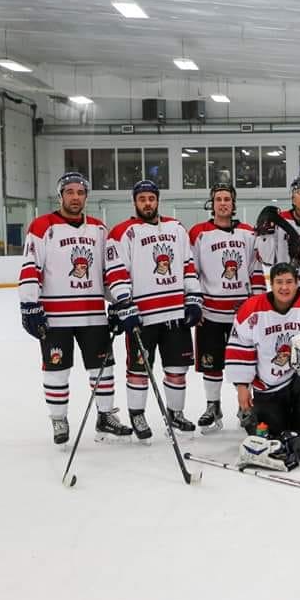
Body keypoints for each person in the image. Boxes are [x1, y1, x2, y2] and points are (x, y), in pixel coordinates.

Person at [19, 172, 132, 445]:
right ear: (60, 195)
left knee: (102, 369)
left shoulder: (98, 229)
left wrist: (121, 302)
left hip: (92, 314)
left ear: (86, 197)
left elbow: (111, 271)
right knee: (56, 369)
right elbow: (31, 267)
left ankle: (105, 417)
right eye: (69, 192)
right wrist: (29, 304)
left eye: (80, 192)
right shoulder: (42, 226)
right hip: (55, 317)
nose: (75, 197)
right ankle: (59, 419)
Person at [105, 180, 203, 441]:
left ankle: (175, 412)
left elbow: (188, 265)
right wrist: (124, 304)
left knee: (177, 368)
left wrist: (193, 297)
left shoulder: (176, 227)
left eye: (151, 198)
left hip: (174, 314)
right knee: (138, 369)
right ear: (135, 202)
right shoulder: (123, 232)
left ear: (157, 200)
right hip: (143, 316)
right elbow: (116, 272)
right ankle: (137, 413)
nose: (147, 203)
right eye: (142, 198)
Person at [224, 262, 300, 468]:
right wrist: (242, 387)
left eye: (289, 282)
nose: (284, 287)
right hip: (270, 385)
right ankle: (261, 422)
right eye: (279, 282)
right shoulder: (251, 309)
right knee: (274, 431)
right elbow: (239, 347)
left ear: (297, 283)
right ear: (270, 284)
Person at [188, 183, 267, 433]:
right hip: (210, 312)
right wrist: (194, 302)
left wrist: (259, 305)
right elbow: (191, 271)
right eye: (218, 199)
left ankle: (245, 407)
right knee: (211, 363)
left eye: (227, 199)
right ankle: (213, 406)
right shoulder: (199, 233)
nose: (223, 203)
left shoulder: (247, 233)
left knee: (245, 361)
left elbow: (255, 270)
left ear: (234, 204)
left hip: (241, 315)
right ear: (212, 203)